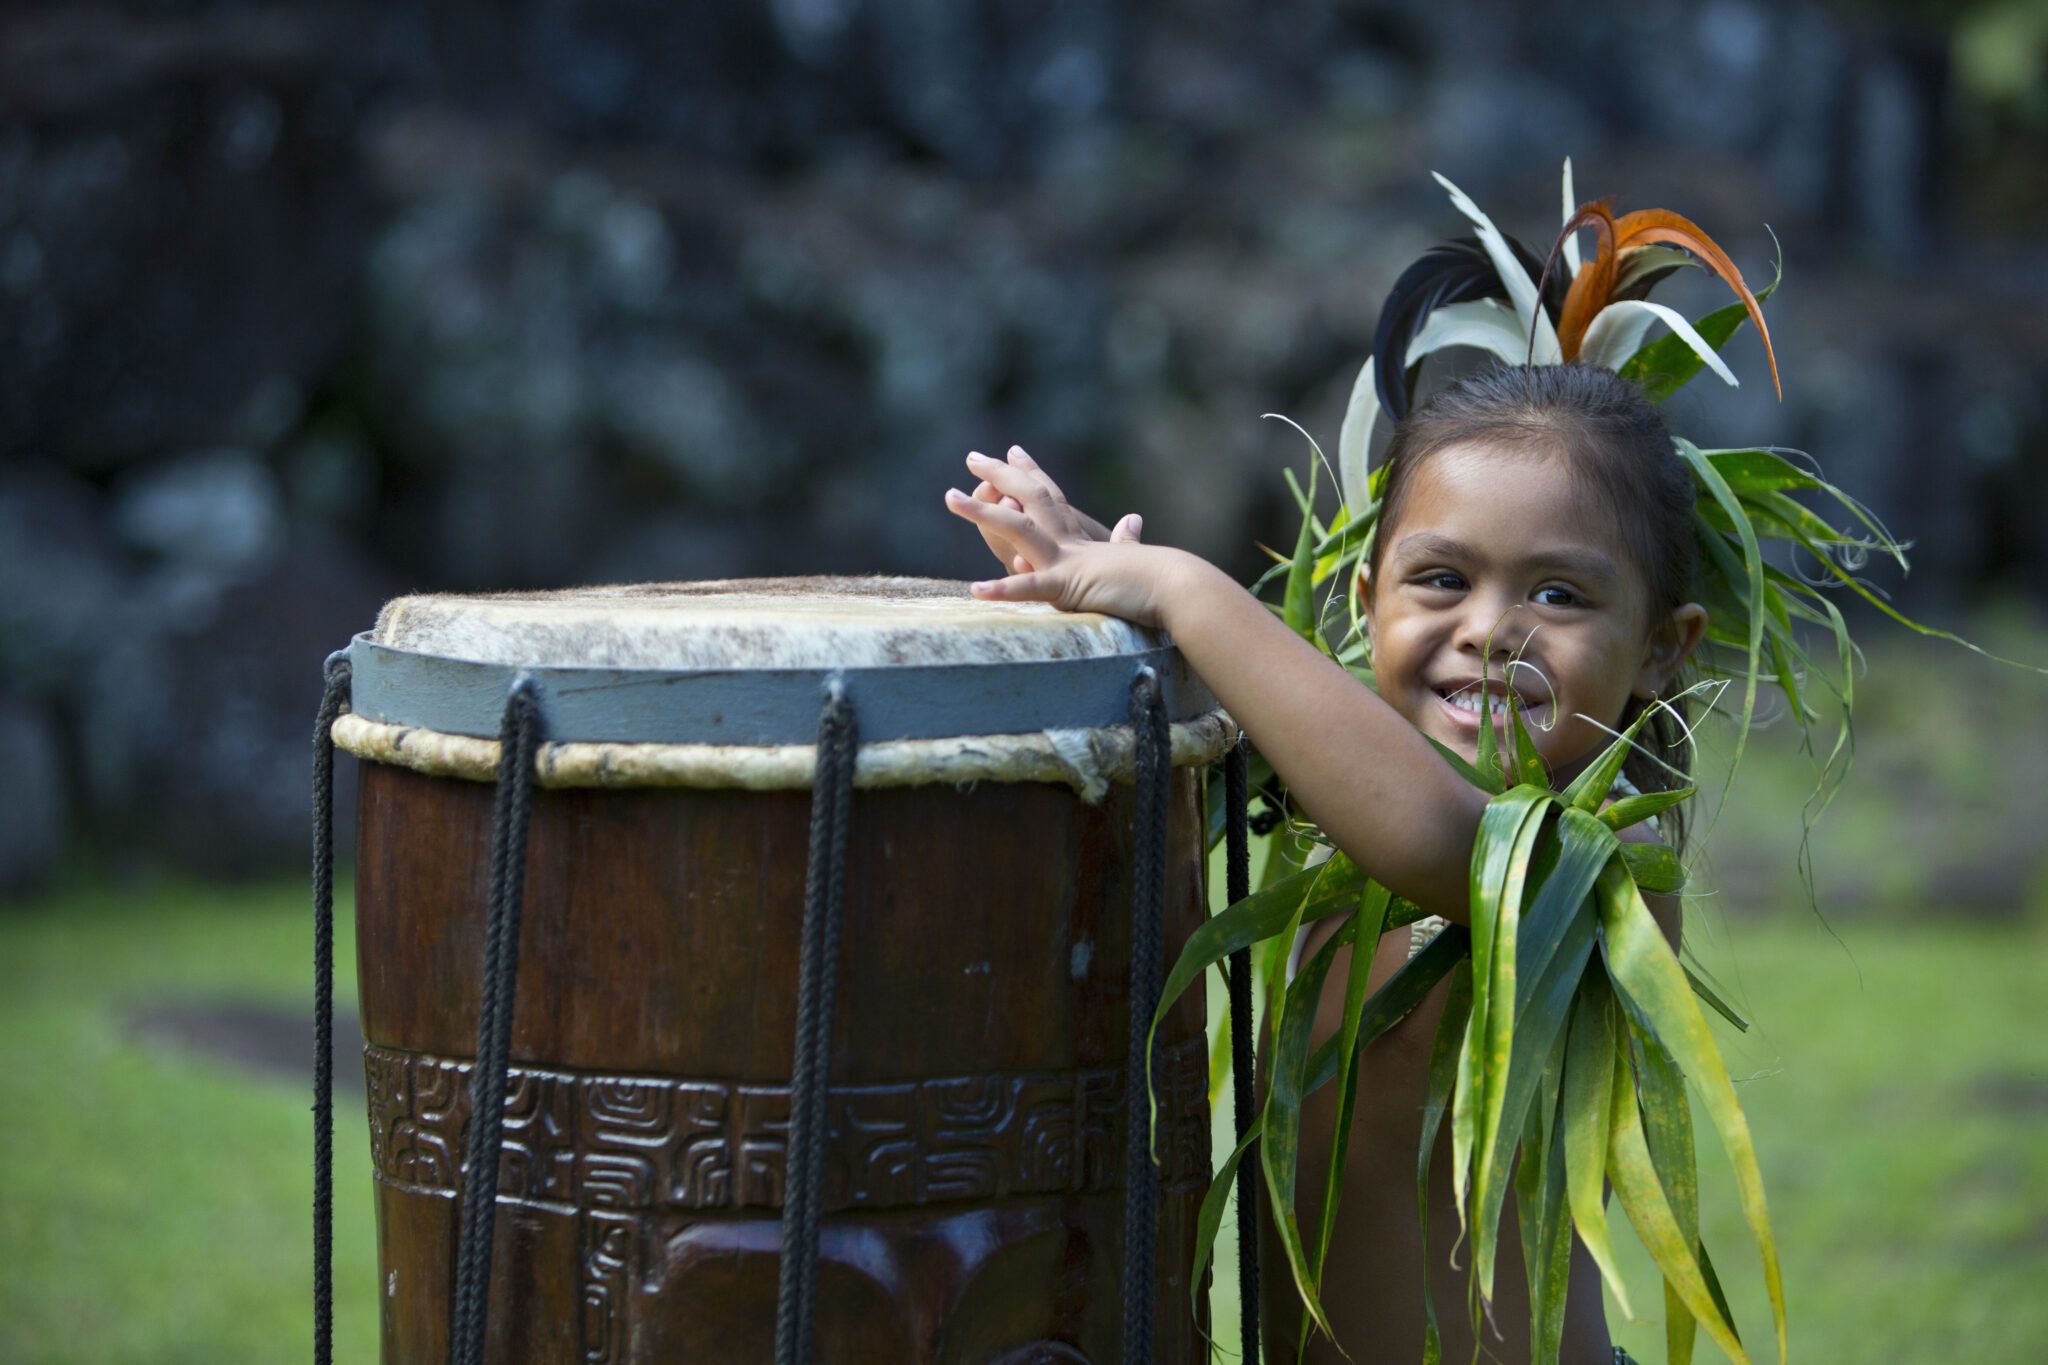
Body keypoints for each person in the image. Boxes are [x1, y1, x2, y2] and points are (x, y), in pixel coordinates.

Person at [941, 360, 1703, 1364]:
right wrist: (1097, 574)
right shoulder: (1340, 799)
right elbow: (1313, 736)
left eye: (1557, 594)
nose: (1485, 629)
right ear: (1364, 597)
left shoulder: (1606, 860)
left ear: (1660, 648)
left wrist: (1180, 585)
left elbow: (1438, 838)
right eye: (1440, 579)